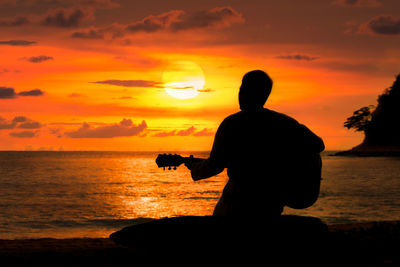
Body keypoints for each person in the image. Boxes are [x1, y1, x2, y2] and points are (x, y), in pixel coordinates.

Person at [185, 70, 325, 217]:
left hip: (238, 205)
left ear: (257, 94)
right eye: (241, 90)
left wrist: (195, 169)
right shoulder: (284, 122)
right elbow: (318, 145)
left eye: (244, 90)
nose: (240, 94)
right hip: (270, 205)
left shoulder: (232, 124)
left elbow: (214, 165)